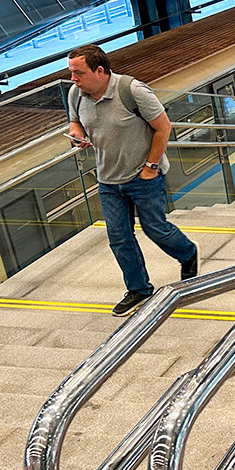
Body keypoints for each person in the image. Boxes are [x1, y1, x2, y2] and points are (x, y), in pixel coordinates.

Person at [66, 44, 198, 317]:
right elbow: (74, 121)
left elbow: (163, 127)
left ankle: (187, 253)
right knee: (118, 236)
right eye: (71, 73)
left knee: (155, 228)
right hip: (107, 179)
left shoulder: (132, 91)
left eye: (78, 73)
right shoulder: (76, 95)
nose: (73, 79)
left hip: (143, 175)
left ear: (99, 71)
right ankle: (138, 289)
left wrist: (150, 167)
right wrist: (77, 132)